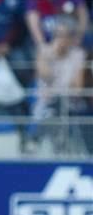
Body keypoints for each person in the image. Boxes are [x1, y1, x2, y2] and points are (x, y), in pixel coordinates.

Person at [26, 15, 87, 153]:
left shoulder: (78, 54)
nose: (60, 39)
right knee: (50, 109)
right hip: (45, 102)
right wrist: (54, 56)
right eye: (57, 35)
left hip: (69, 103)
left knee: (57, 106)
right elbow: (45, 76)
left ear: (72, 38)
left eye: (64, 36)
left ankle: (34, 139)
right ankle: (48, 141)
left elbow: (78, 88)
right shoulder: (44, 52)